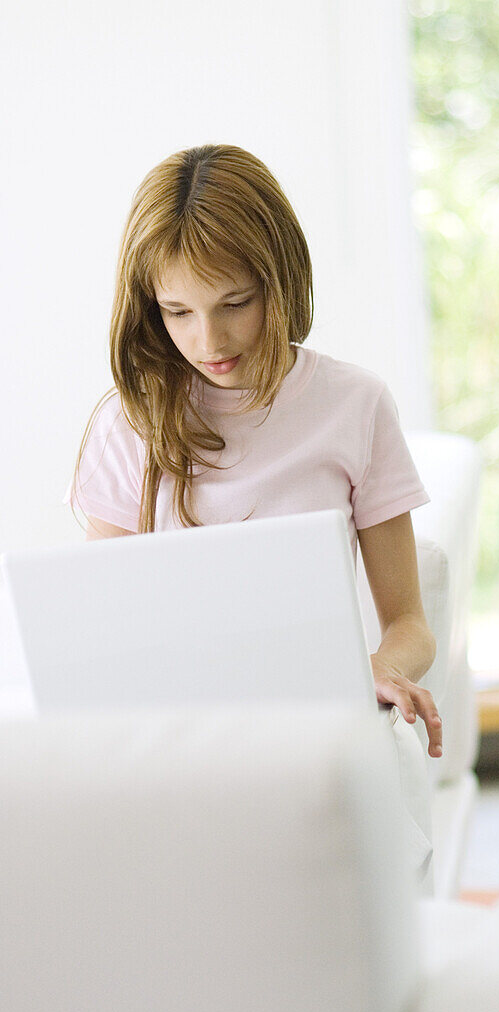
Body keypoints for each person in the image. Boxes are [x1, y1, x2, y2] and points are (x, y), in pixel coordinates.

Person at [67, 143, 443, 758]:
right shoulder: (127, 421)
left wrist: (372, 669)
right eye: (178, 312)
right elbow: (100, 628)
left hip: (307, 730)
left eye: (234, 304)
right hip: (172, 733)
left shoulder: (356, 405)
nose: (207, 339)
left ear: (280, 282)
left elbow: (411, 626)